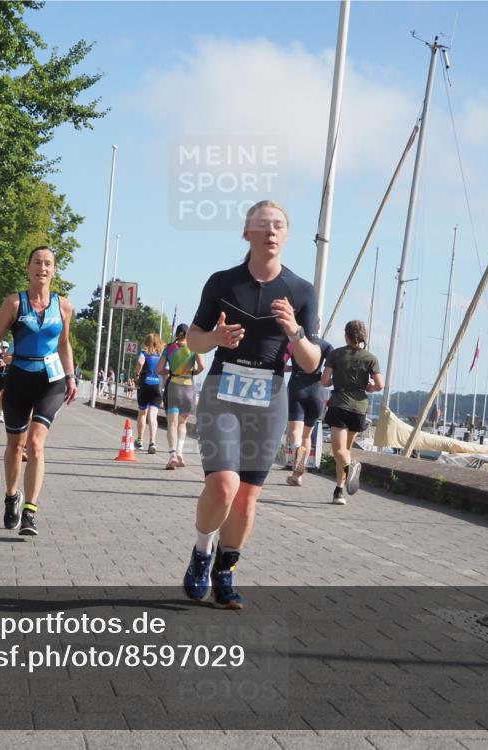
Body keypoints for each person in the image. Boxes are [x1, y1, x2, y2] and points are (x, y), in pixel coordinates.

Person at [182, 200, 320, 609]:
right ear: (247, 234)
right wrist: (216, 340)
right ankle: (203, 552)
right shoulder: (223, 282)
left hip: (270, 396)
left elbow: (311, 362)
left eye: (279, 226)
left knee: (245, 497)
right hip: (223, 389)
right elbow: (194, 339)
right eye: (262, 226)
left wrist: (295, 331)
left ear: (287, 235)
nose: (271, 232)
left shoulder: (300, 291)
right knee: (223, 485)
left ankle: (227, 568)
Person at [0, 246, 76, 536]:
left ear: (54, 270)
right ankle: (11, 496)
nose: (42, 268)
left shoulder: (64, 306)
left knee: (36, 444)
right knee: (16, 445)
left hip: (51, 380)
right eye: (37, 262)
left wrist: (71, 377)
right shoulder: (14, 302)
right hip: (19, 377)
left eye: (48, 264)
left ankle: (30, 513)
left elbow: (63, 344)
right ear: (28, 267)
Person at [321, 320, 383, 505]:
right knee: (346, 450)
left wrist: (333, 382)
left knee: (338, 450)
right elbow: (379, 384)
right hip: (359, 408)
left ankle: (350, 468)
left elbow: (324, 381)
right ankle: (338, 492)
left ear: (346, 335)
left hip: (340, 404)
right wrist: (369, 388)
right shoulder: (370, 358)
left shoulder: (335, 354)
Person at [284, 332, 334, 486]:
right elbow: (332, 371)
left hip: (297, 385)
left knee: (294, 431)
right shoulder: (326, 346)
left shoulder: (292, 342)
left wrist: (292, 368)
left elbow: (281, 363)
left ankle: (297, 450)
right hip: (317, 391)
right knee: (307, 435)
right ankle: (297, 476)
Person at [157, 323, 205, 469]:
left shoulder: (168, 348)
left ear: (177, 333)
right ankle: (180, 453)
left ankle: (172, 455)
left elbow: (159, 369)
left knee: (171, 423)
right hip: (188, 388)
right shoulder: (194, 347)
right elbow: (202, 366)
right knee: (182, 423)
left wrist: (170, 372)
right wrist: (193, 372)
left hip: (173, 387)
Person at [133, 333, 164, 453]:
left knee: (142, 413)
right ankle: (152, 442)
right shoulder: (161, 355)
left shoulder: (144, 352)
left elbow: (140, 362)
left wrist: (136, 375)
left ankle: (140, 440)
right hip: (157, 386)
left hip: (145, 384)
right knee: (153, 415)